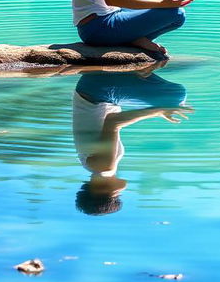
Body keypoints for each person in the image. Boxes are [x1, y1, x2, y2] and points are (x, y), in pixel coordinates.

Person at [72, 69, 192, 214]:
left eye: (117, 196)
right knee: (167, 100)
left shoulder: (104, 167)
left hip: (99, 89)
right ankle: (133, 72)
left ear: (105, 192)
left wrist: (158, 111)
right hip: (95, 89)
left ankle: (135, 70)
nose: (122, 192)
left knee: (174, 98)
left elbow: (113, 121)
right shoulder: (92, 166)